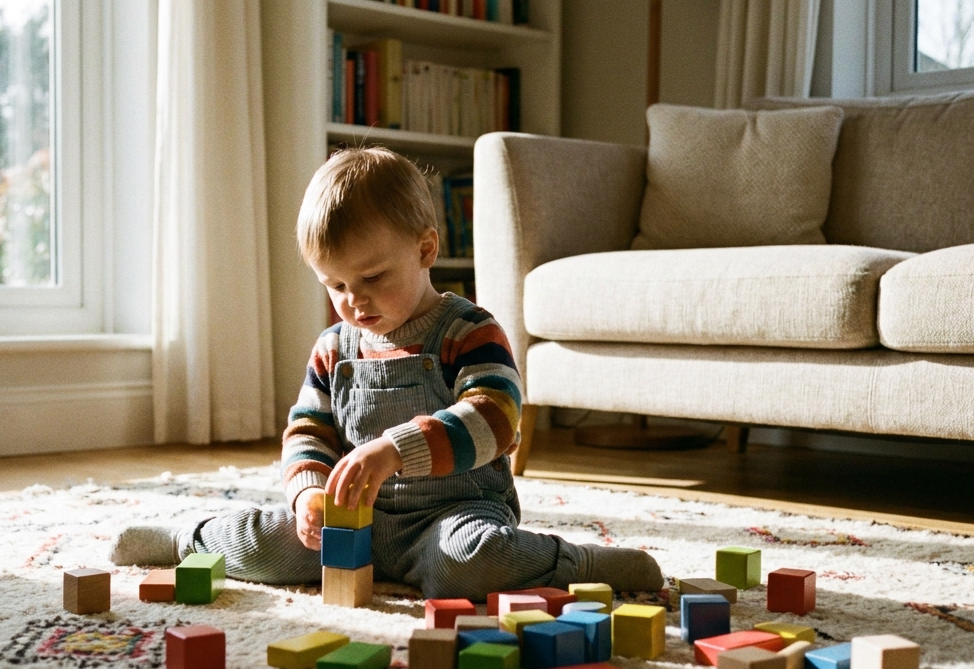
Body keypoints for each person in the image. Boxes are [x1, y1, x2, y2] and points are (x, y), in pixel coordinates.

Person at [111, 146, 662, 600]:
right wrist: (307, 495)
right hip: (352, 521)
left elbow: (496, 419)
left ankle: (583, 562)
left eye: (373, 277)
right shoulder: (334, 347)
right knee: (261, 541)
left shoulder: (469, 330)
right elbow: (308, 433)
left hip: (452, 517)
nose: (354, 300)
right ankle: (183, 538)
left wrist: (395, 450)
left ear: (425, 249)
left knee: (468, 565)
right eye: (336, 285)